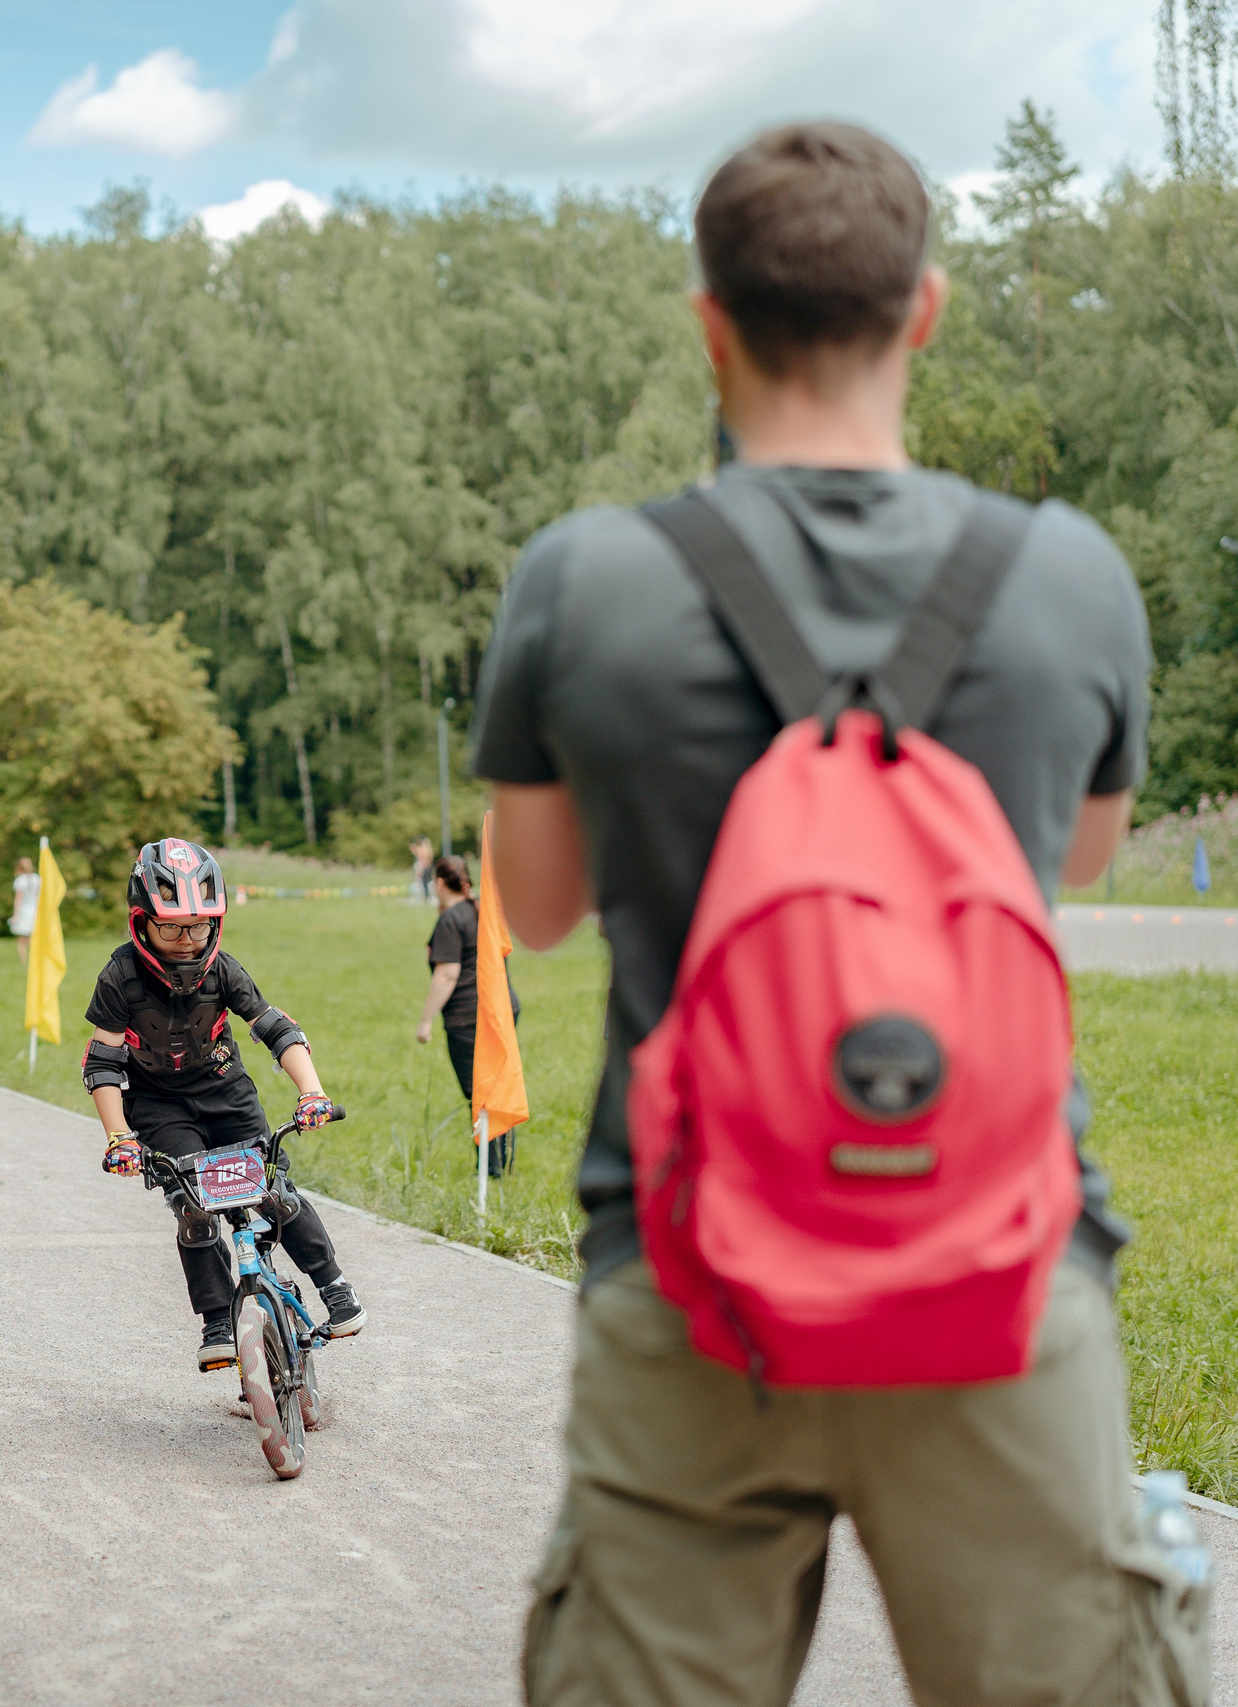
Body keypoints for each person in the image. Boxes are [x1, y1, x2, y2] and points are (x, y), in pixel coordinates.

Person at [473, 123, 1201, 1701]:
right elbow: (1076, 858)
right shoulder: (1070, 574)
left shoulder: (585, 578)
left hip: (687, 1276)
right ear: (924, 311)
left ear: (709, 320)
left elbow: (531, 913)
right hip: (1001, 1274)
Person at [83, 838, 367, 1371]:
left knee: (272, 1193)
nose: (186, 941)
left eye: (198, 925)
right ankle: (217, 1320)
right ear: (141, 922)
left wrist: (312, 1092)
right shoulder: (119, 976)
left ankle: (333, 1287)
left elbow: (276, 1029)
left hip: (227, 1095)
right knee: (194, 1210)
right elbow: (102, 1064)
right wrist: (119, 1136)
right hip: (159, 1106)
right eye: (170, 926)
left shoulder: (223, 970)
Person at [413, 853, 518, 1178]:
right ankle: (501, 1163)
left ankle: (491, 1169)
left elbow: (447, 974)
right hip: (501, 1009)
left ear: (440, 883)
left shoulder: (451, 919)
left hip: (468, 1018)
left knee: (480, 1093)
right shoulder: (482, 909)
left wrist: (426, 1020)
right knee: (498, 1087)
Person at [9, 855, 39, 962]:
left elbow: (18, 900)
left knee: (21, 940)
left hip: (24, 912)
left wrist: (15, 916)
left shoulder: (20, 880)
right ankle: (35, 959)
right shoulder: (37, 878)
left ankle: (24, 961)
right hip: (36, 912)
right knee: (32, 939)